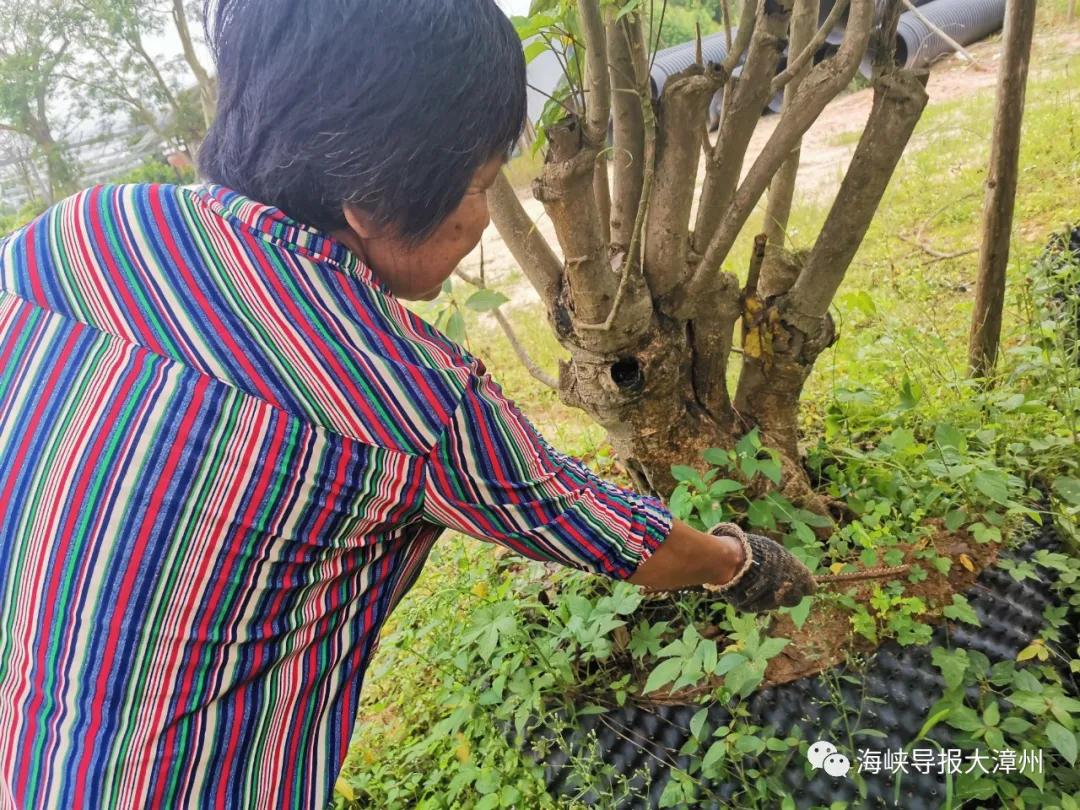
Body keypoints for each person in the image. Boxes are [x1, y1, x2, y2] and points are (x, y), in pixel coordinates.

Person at [0, 1, 815, 807]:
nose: (480, 216)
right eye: (482, 184)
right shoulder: (405, 396)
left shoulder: (70, 235)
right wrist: (735, 561)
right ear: (373, 199)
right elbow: (598, 529)